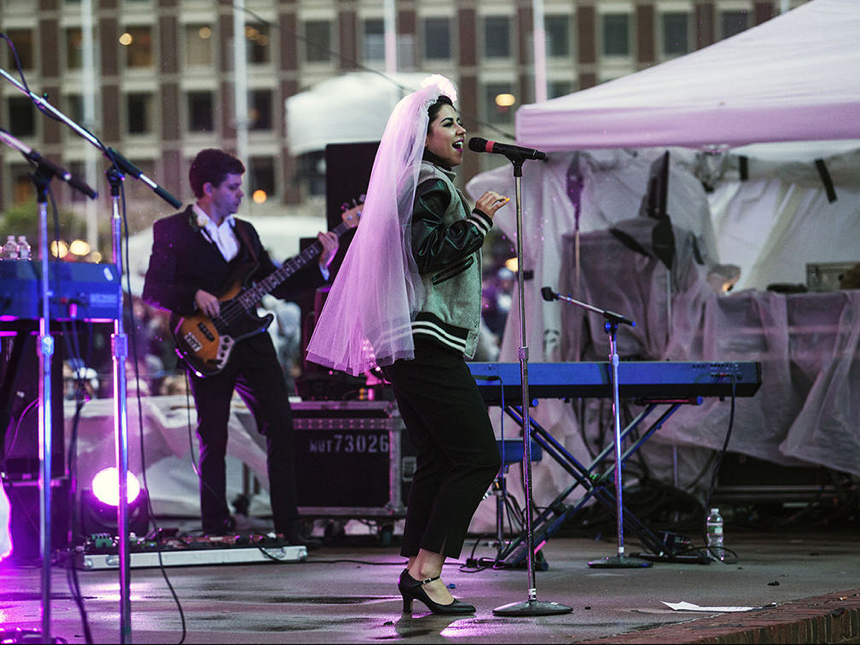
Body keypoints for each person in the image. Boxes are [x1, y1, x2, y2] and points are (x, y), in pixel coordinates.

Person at [306, 76, 508, 613]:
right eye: (449, 124)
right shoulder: (431, 183)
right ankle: (428, 569)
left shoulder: (420, 181)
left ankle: (417, 568)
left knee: (441, 457)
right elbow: (428, 252)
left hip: (408, 341)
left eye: (460, 122)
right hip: (426, 337)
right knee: (478, 456)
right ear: (423, 137)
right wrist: (480, 220)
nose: (462, 130)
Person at [142, 148, 338, 547]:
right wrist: (192, 295)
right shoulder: (172, 231)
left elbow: (272, 280)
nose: (240, 195)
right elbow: (153, 289)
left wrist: (320, 263)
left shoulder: (245, 231)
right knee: (213, 436)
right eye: (233, 188)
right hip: (206, 344)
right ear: (208, 189)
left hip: (252, 340)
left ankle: (289, 527)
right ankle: (216, 527)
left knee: (282, 427)